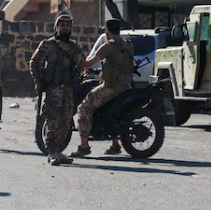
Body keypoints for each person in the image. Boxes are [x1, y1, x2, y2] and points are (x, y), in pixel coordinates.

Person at [71, 19, 135, 157]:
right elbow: (119, 64)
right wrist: (102, 69)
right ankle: (115, 144)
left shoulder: (108, 45)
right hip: (127, 86)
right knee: (110, 111)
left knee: (83, 108)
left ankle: (83, 146)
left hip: (112, 87)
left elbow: (89, 62)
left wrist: (76, 62)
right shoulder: (127, 44)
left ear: (107, 31)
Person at [30, 13, 86, 166]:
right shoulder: (47, 44)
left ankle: (59, 151)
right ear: (57, 27)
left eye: (67, 25)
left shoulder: (73, 46)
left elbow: (82, 62)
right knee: (53, 121)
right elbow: (34, 62)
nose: (65, 27)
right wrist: (38, 81)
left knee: (66, 121)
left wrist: (68, 49)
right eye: (62, 25)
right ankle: (52, 152)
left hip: (68, 88)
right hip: (52, 88)